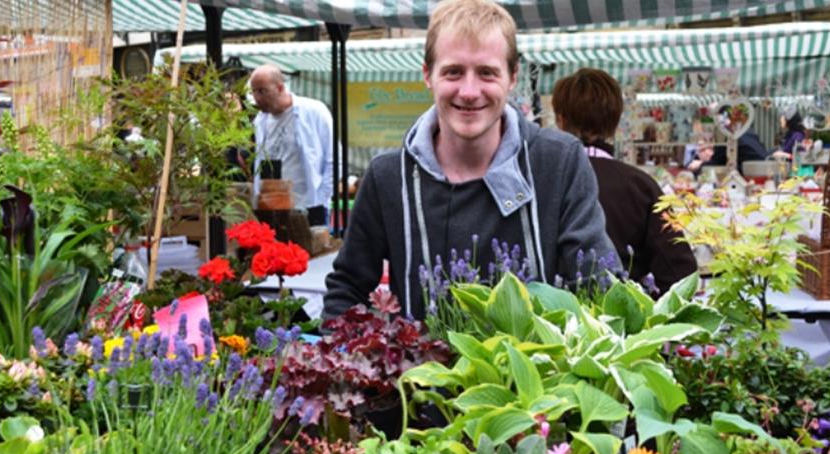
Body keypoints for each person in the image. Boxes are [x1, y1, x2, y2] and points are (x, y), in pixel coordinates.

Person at [323, 0, 618, 320]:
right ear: (427, 75)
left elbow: (597, 283)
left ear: (513, 76)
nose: (468, 91)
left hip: (535, 369)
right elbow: (348, 289)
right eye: (453, 72)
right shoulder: (389, 177)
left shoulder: (557, 163)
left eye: (487, 73)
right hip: (421, 369)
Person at [552, 68, 697, 292]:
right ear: (616, 123)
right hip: (624, 321)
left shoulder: (541, 180)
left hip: (553, 319)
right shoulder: (641, 186)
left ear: (560, 121)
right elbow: (680, 274)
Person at [250, 64, 333, 226]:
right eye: (253, 92)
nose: (257, 98)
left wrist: (320, 199)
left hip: (309, 206)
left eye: (262, 91)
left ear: (280, 88)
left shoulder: (314, 111)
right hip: (273, 207)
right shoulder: (261, 120)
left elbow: (333, 159)